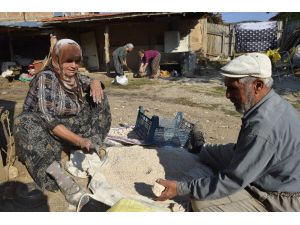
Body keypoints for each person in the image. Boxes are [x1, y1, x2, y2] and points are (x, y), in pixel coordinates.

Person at [155, 53, 300, 212]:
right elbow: (241, 151)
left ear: (258, 85)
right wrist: (204, 151)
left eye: (233, 88)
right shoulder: (271, 104)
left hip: (282, 200)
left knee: (202, 203)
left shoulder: (262, 127)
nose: (227, 95)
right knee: (212, 164)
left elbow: (233, 180)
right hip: (276, 177)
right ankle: (201, 150)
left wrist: (180, 188)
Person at [13, 39, 111, 206]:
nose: (73, 65)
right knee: (24, 122)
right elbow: (48, 119)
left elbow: (88, 80)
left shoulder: (74, 77)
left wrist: (95, 83)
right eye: (68, 61)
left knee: (98, 96)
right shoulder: (47, 78)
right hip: (43, 132)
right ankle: (57, 174)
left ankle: (93, 145)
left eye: (76, 61)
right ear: (56, 59)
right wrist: (79, 140)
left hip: (65, 127)